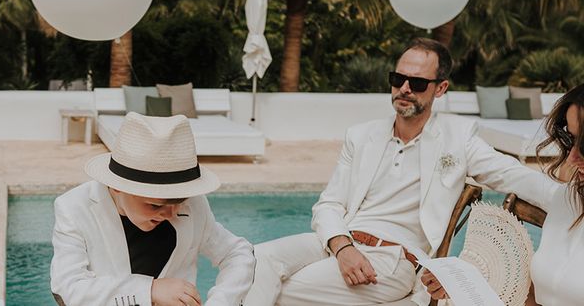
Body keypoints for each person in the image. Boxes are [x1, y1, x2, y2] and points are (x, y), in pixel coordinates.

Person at [244, 38, 557, 306]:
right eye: (398, 79)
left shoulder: (458, 138)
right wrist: (343, 247)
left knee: (282, 292)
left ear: (441, 88)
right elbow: (329, 205)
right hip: (339, 242)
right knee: (254, 262)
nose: (405, 89)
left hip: (393, 261)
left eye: (418, 83)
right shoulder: (361, 135)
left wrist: (571, 197)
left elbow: (515, 175)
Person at [50, 112, 255, 306]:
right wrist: (150, 290)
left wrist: (221, 301)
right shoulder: (74, 208)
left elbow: (237, 253)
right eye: (155, 205)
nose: (171, 213)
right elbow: (68, 289)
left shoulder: (194, 203)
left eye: (179, 201)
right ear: (116, 186)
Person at [422, 83, 584, 306]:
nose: (571, 158)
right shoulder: (566, 201)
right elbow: (542, 296)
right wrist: (461, 285)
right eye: (571, 139)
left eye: (583, 144)